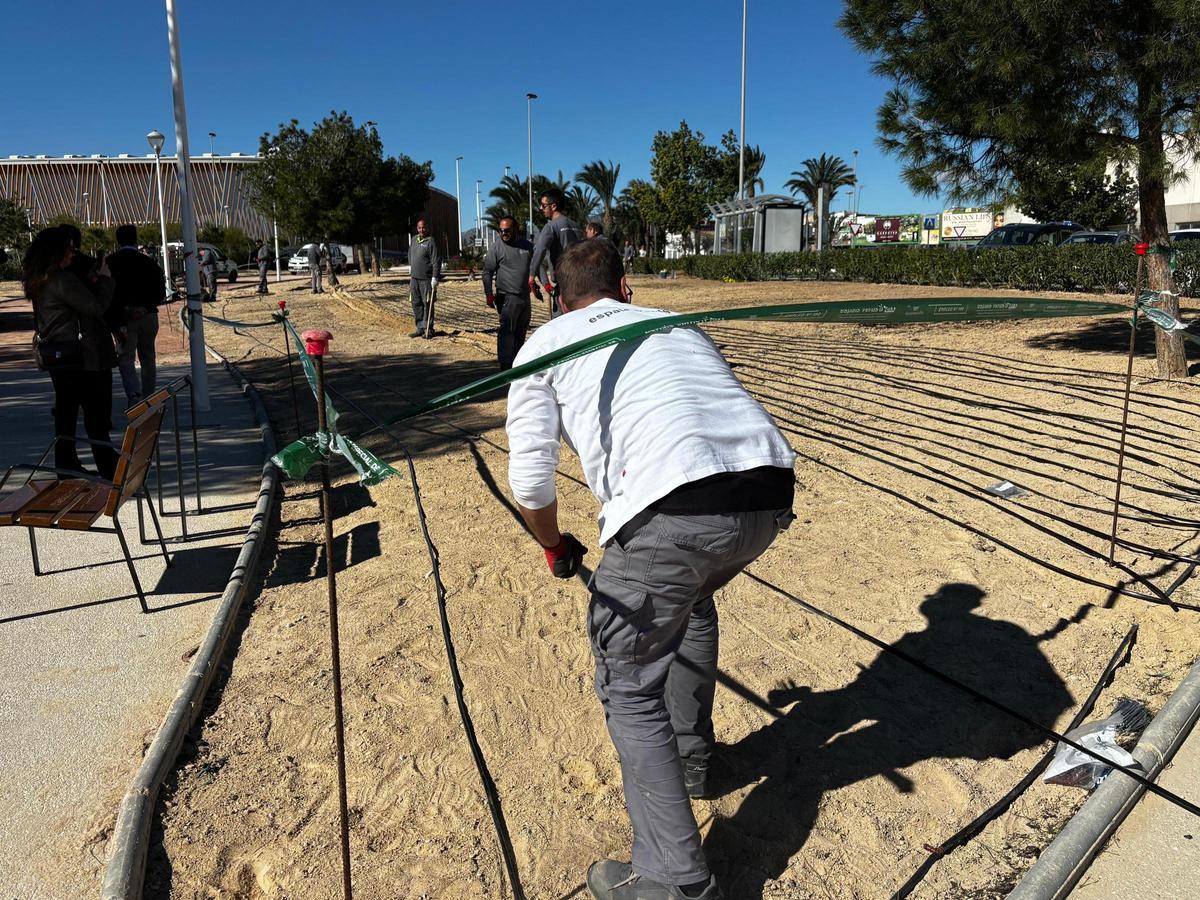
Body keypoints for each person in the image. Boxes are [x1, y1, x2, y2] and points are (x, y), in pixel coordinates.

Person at [505, 239, 796, 899]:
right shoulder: (674, 324)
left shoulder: (544, 346)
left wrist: (553, 546)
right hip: (767, 492)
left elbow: (530, 480)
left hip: (675, 507)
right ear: (626, 287)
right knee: (690, 602)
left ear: (555, 296)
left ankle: (674, 880)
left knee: (629, 682)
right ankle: (691, 763)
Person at [23, 227, 120, 479]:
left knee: (66, 412)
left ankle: (66, 464)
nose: (72, 254)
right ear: (57, 252)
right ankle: (108, 465)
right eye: (69, 249)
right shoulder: (61, 279)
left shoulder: (40, 278)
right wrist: (106, 280)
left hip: (58, 354)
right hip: (79, 355)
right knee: (94, 413)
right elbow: (94, 306)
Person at [106, 225, 165, 405]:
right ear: (136, 239)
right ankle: (149, 396)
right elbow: (160, 292)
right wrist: (145, 308)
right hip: (148, 317)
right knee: (148, 356)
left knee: (126, 357)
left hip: (124, 317)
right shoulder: (149, 262)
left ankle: (134, 395)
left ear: (118, 240)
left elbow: (107, 293)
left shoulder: (110, 262)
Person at [482, 216, 536, 370]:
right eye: (501, 230)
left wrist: (538, 285)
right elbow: (487, 272)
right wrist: (488, 294)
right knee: (507, 332)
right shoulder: (496, 248)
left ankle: (517, 363)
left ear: (515, 229)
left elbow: (535, 267)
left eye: (506, 230)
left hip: (524, 297)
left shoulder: (527, 246)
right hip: (507, 297)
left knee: (521, 331)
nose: (503, 233)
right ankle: (505, 366)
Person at [528, 187, 582, 318]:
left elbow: (539, 251)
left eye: (543, 205)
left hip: (563, 285)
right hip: (580, 283)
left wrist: (531, 276)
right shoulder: (576, 225)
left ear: (553, 206)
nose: (541, 209)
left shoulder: (551, 226)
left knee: (560, 324)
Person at [408, 219, 441, 338]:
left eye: (423, 227)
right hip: (414, 279)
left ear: (427, 228)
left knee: (427, 304)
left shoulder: (431, 241)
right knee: (416, 303)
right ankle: (420, 328)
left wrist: (435, 277)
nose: (421, 230)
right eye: (419, 228)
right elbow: (410, 254)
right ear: (417, 229)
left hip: (426, 280)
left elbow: (436, 260)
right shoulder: (413, 240)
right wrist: (410, 266)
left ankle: (429, 329)